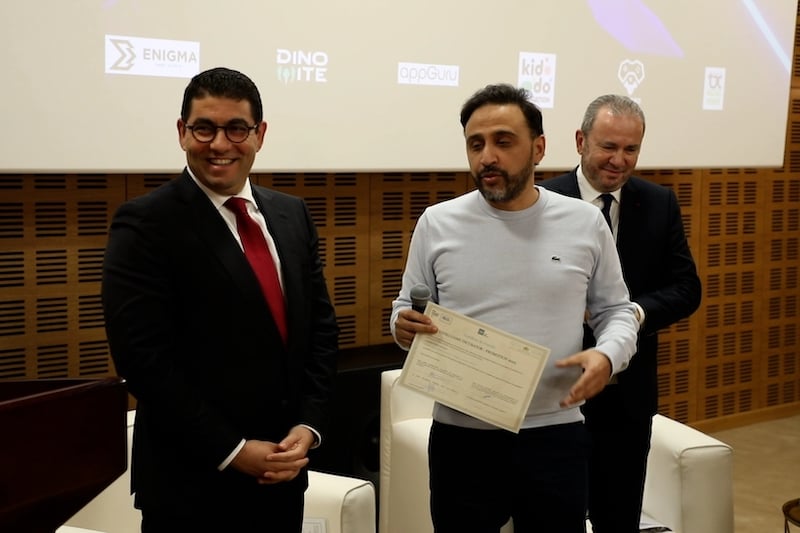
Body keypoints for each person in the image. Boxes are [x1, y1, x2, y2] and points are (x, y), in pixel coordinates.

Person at [390, 83, 640, 533]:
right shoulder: (437, 222)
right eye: (476, 144)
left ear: (538, 148)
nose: (487, 156)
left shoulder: (584, 222)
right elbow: (409, 305)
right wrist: (402, 325)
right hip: (461, 440)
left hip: (555, 435)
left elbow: (616, 311)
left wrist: (607, 355)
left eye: (503, 142)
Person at [101, 67, 339, 532]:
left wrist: (308, 426)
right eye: (204, 128)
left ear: (260, 134)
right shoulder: (144, 224)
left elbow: (321, 330)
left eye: (236, 129)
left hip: (282, 477)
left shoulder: (292, 214)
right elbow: (143, 361)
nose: (219, 144)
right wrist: (233, 450)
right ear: (182, 132)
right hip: (191, 487)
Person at [540, 94, 701, 533]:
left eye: (631, 149)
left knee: (619, 518)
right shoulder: (541, 201)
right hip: (555, 394)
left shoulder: (659, 202)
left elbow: (687, 289)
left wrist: (632, 314)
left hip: (628, 398)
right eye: (608, 146)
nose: (619, 160)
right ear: (580, 141)